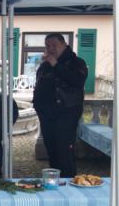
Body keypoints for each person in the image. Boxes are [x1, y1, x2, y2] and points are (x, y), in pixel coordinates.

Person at [32, 33, 88, 178]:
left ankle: (68, 184)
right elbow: (39, 86)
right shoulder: (45, 65)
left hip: (66, 114)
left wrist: (55, 65)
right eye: (47, 46)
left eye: (54, 45)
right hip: (47, 115)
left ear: (64, 45)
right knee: (52, 152)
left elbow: (77, 80)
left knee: (65, 152)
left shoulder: (77, 63)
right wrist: (38, 107)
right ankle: (55, 182)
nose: (50, 49)